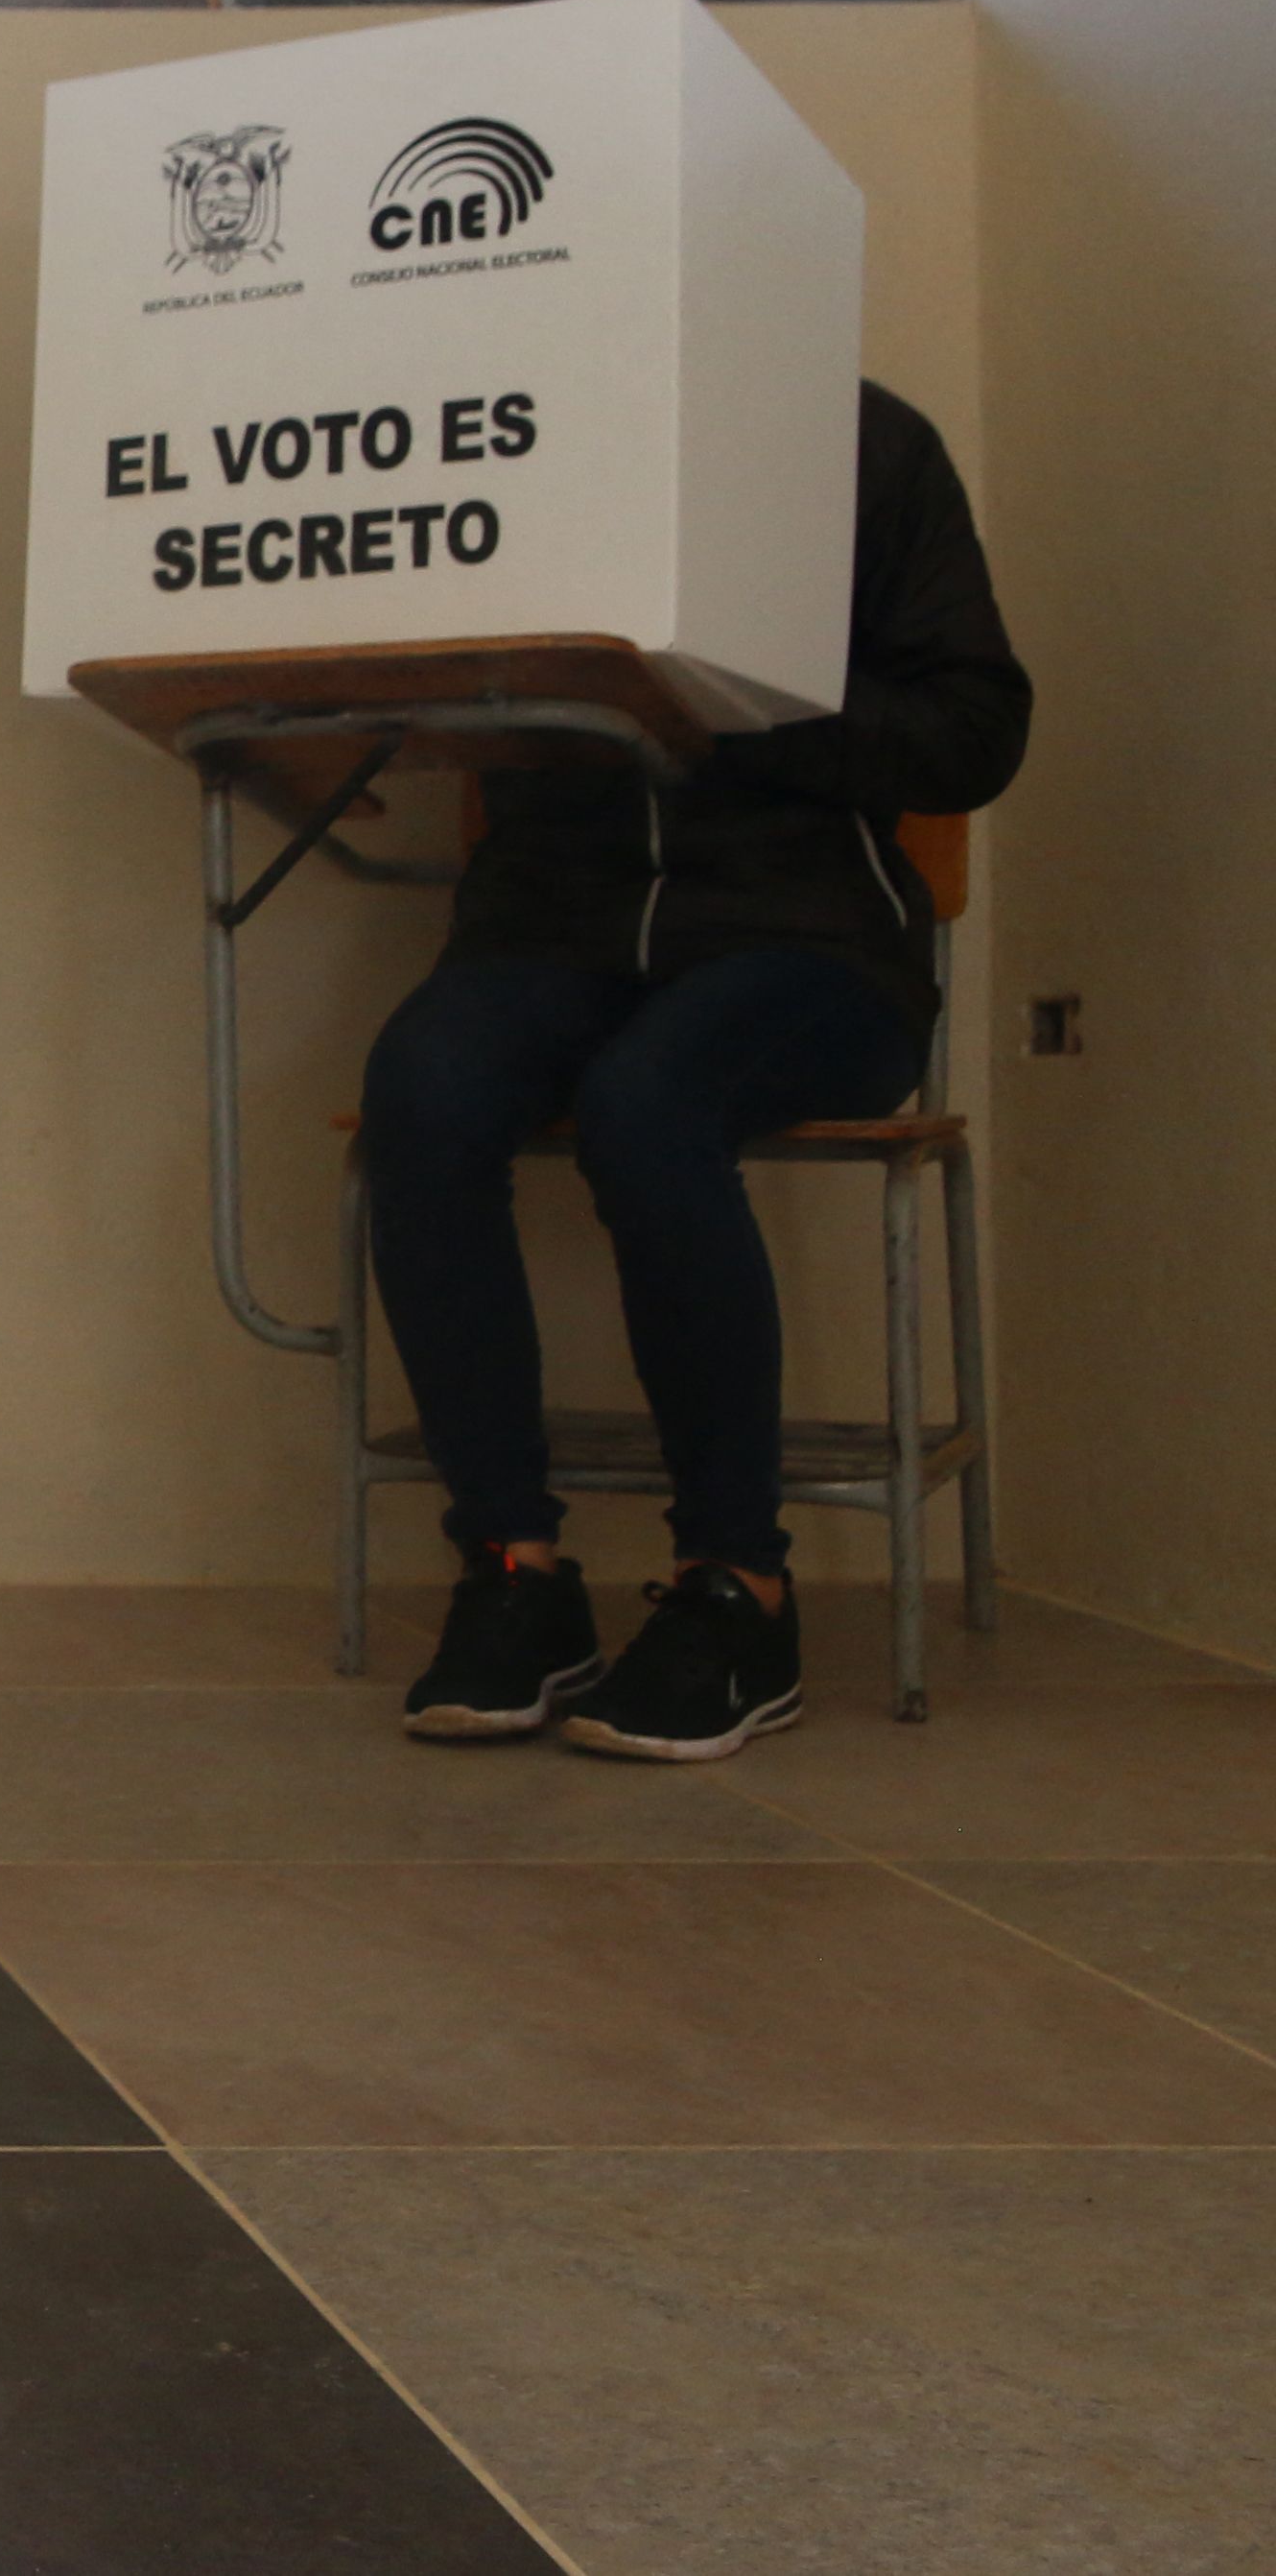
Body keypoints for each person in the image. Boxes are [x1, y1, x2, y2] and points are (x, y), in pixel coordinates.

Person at [373, 378, 1028, 1759]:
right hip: (556, 919)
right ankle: (515, 1572)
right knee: (422, 1083)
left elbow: (977, 733)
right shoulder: (514, 414)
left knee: (647, 1099)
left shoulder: (862, 439)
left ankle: (740, 1589)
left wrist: (726, 697)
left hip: (808, 941)